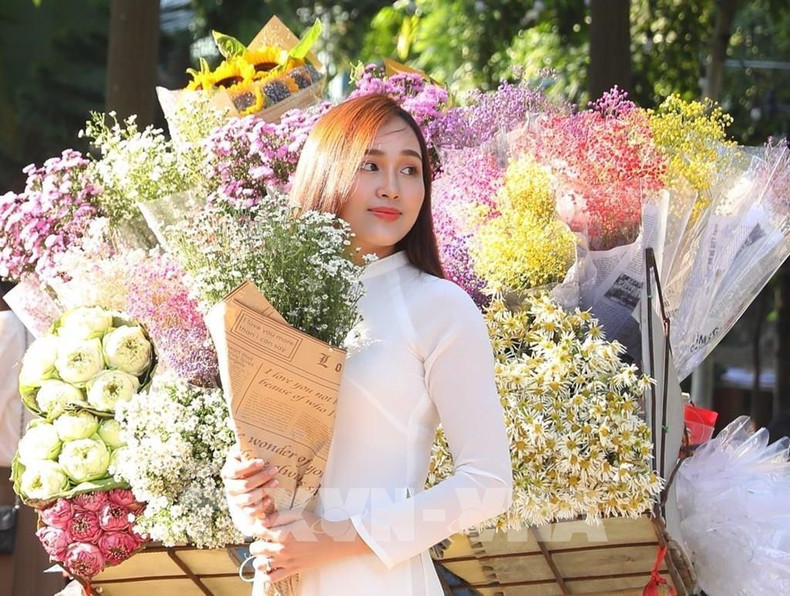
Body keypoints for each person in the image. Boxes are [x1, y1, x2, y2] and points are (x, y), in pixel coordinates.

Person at [221, 93, 512, 595]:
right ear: (326, 171)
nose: (392, 187)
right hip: (282, 581)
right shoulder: (276, 302)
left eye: (410, 170)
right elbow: (275, 467)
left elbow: (488, 485)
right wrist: (245, 491)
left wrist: (336, 539)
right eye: (371, 165)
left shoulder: (438, 306)